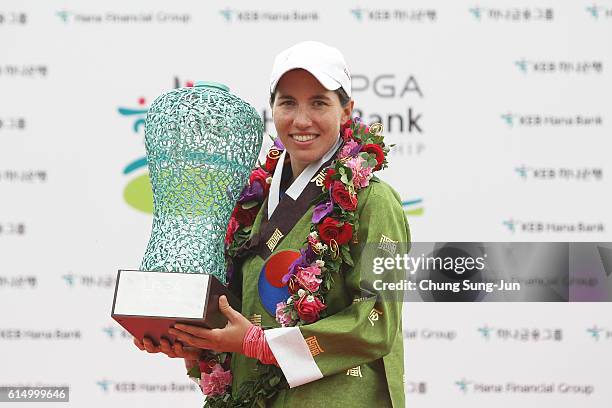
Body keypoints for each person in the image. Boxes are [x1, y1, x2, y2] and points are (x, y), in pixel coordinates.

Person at [134, 40, 410, 407]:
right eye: (288, 102)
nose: (301, 120)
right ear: (272, 109)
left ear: (347, 111)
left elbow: (376, 322)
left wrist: (262, 344)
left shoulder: (374, 202)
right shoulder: (254, 202)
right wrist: (191, 343)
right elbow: (239, 318)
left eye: (319, 102)